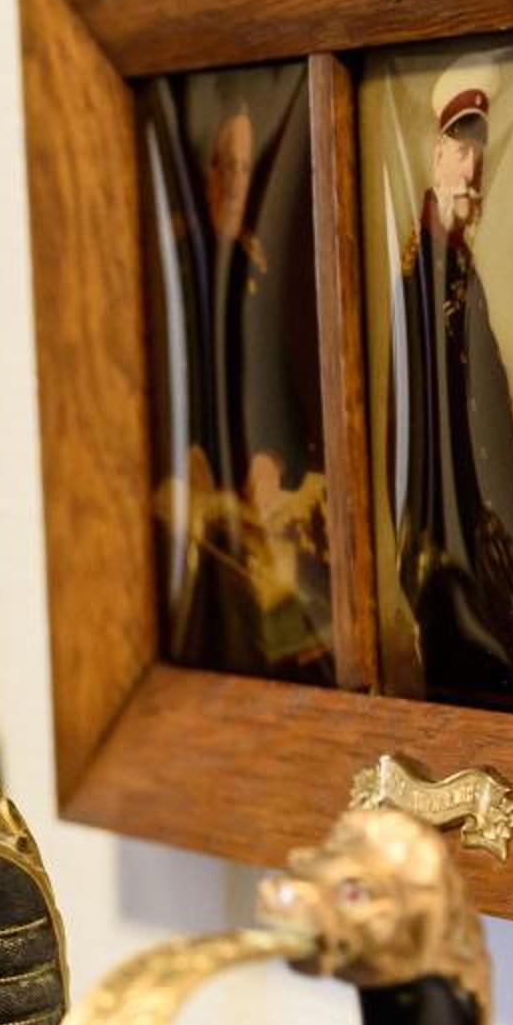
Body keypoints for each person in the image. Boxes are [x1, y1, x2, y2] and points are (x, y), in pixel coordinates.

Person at [390, 57, 513, 718]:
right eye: (461, 152)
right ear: (438, 156)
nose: (472, 170)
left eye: (479, 155)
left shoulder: (465, 262)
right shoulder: (421, 270)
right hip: (446, 547)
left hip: (484, 533)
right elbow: (419, 422)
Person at [154, 88, 332, 683]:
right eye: (222, 167)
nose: (232, 182)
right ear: (206, 174)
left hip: (254, 507)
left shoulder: (258, 270)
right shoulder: (180, 266)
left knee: (291, 617)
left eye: (243, 169)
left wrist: (275, 460)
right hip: (191, 507)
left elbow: (287, 390)